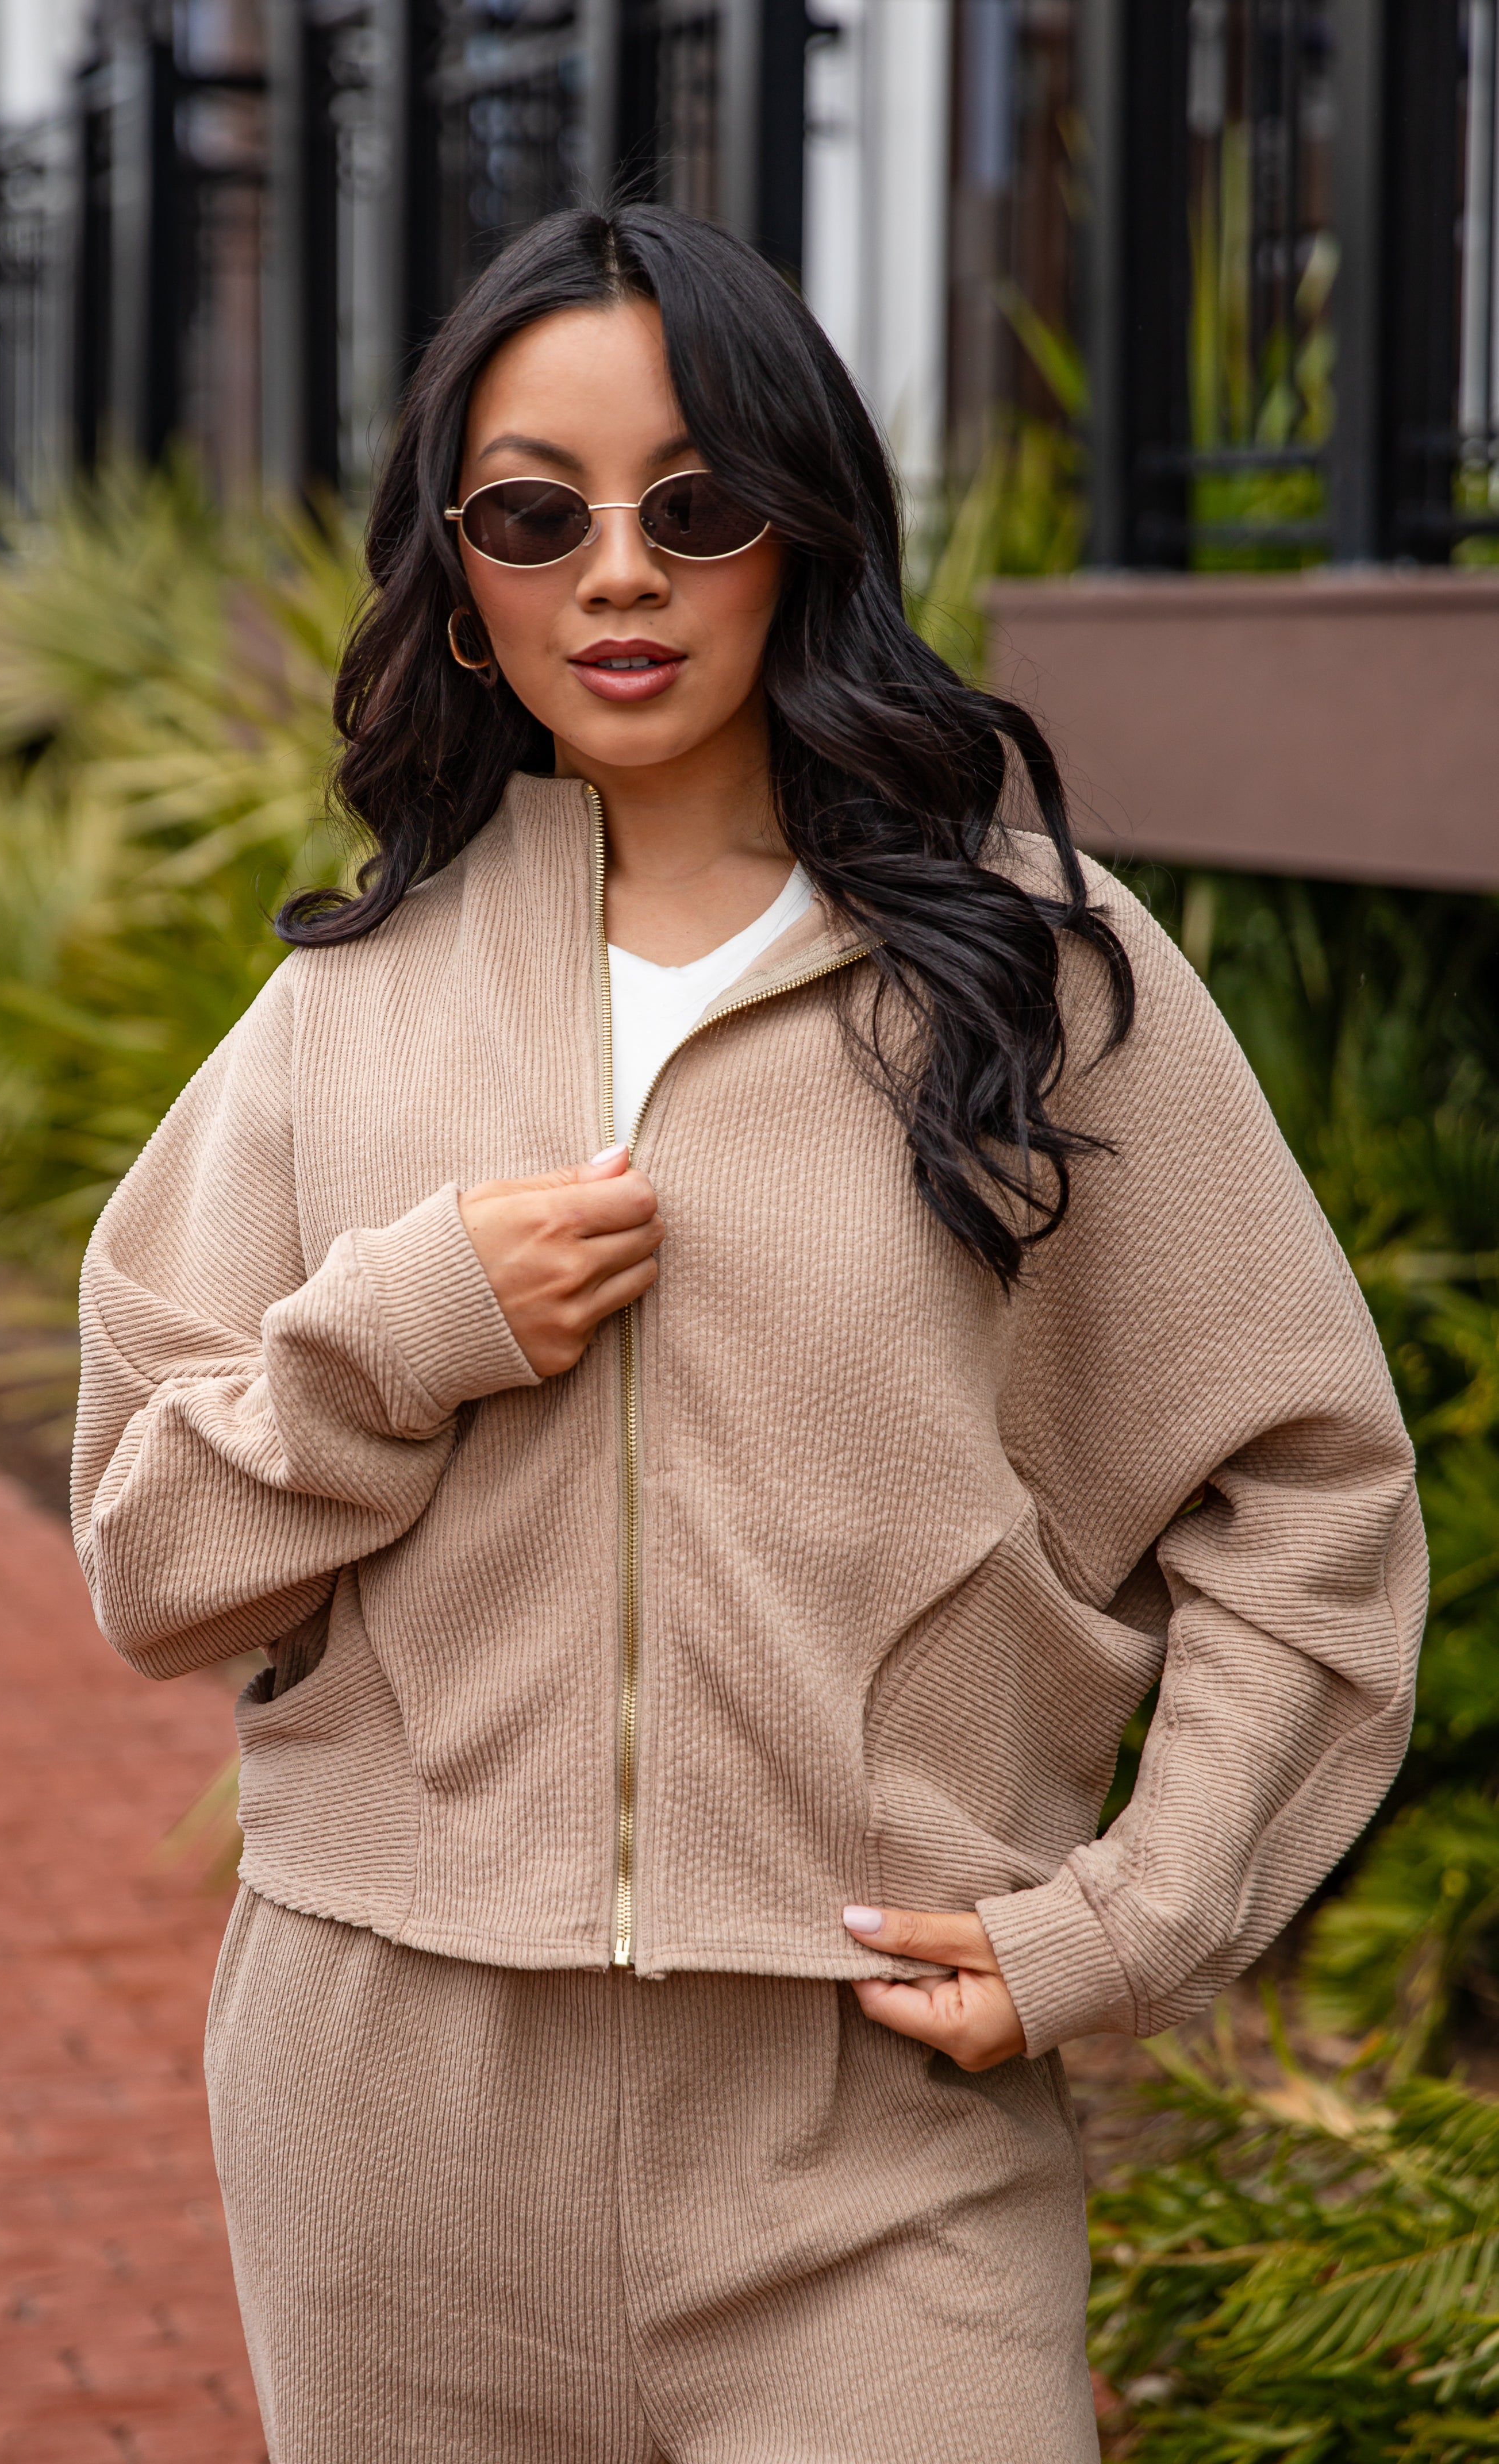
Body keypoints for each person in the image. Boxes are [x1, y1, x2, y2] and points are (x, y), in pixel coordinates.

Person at [72, 205, 1425, 2464]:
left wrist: (1127, 1923)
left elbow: (1309, 1490)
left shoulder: (1029, 974)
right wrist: (398, 1336)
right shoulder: (338, 1020)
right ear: (463, 577)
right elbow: (148, 1561)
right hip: (390, 2123)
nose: (620, 570)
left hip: (868, 2132)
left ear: (797, 529)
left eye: (691, 503)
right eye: (537, 513)